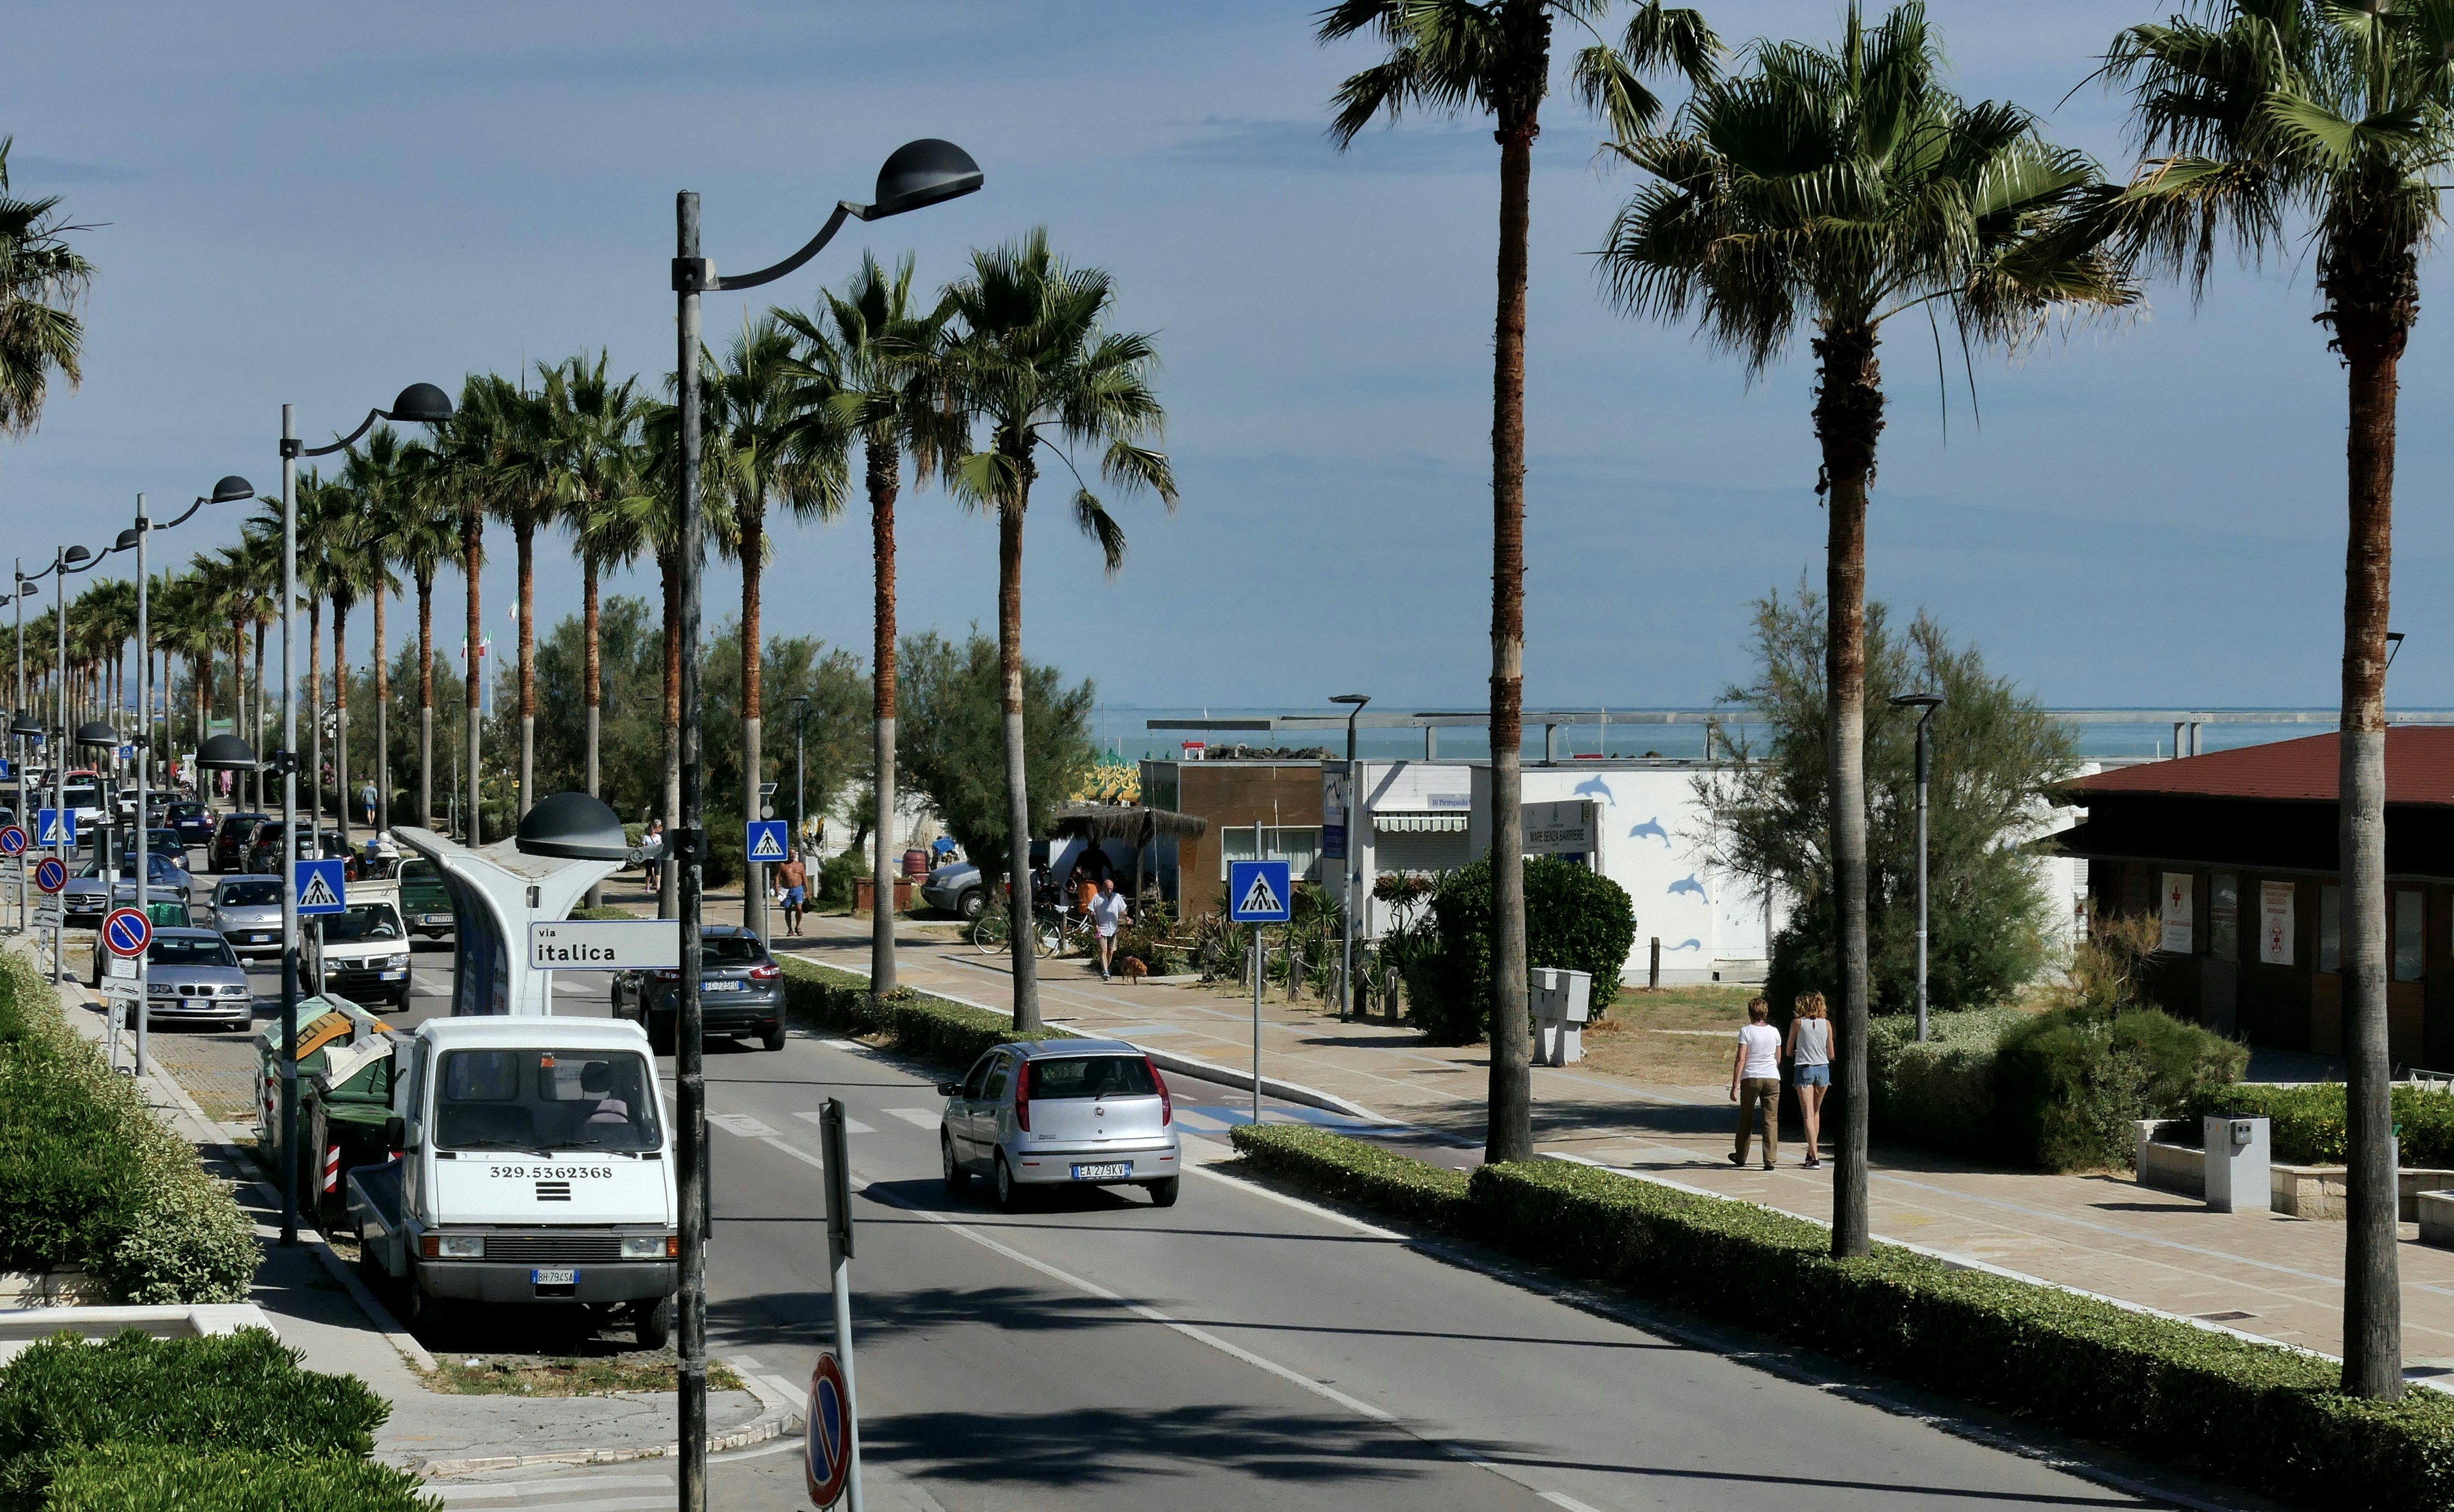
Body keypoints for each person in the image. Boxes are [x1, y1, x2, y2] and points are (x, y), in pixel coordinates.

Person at [1728, 996, 1781, 1170]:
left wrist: (1735, 1084)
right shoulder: (1774, 1032)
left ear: (1751, 1013)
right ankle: (1770, 1159)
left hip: (1751, 1077)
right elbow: (1778, 1058)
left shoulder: (1746, 1031)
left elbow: (1741, 1059)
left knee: (1746, 1118)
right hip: (1772, 1077)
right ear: (1765, 1013)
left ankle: (1741, 1155)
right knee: (1771, 1119)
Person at [1784, 990, 1831, 1169]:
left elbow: (1789, 1051)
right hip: (1823, 1069)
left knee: (1807, 1115)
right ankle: (1811, 1153)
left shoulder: (1797, 1023)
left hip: (1804, 1068)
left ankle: (1815, 1155)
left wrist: (1801, 1052)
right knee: (1816, 1112)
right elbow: (1831, 1053)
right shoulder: (1827, 1024)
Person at [1088, 877, 1129, 981]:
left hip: (1113, 929)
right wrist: (1095, 925)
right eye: (1107, 888)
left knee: (1110, 951)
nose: (1109, 891)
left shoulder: (1117, 897)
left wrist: (1126, 917)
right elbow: (1091, 912)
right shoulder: (1097, 897)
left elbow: (1122, 911)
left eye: (1111, 888)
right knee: (1103, 950)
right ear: (1103, 888)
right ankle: (1105, 971)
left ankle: (1105, 968)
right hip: (1101, 929)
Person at [776, 848, 809, 937]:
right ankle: (790, 929)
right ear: (788, 855)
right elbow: (778, 877)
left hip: (798, 889)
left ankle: (798, 927)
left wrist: (807, 891)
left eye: (794, 854)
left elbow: (804, 878)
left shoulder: (800, 865)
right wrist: (777, 889)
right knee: (788, 910)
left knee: (799, 908)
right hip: (787, 890)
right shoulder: (783, 865)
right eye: (791, 854)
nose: (793, 855)